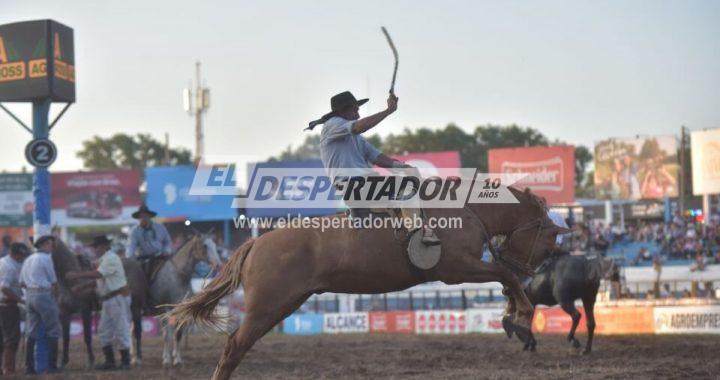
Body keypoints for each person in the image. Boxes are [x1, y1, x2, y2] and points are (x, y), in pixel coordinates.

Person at [307, 91, 439, 246]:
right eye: (355, 110)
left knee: (402, 186)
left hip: (360, 184)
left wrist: (403, 167)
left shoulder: (354, 137)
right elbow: (358, 127)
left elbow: (376, 157)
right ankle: (418, 233)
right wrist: (388, 111)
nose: (358, 114)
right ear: (342, 112)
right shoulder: (333, 124)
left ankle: (402, 225)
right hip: (356, 184)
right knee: (409, 185)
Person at [66, 236, 131, 370]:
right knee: (104, 330)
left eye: (95, 247)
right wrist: (82, 287)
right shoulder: (105, 259)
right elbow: (99, 279)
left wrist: (77, 276)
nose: (94, 249)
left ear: (103, 246)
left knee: (121, 329)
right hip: (110, 298)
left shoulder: (111, 258)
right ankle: (111, 361)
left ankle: (125, 362)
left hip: (116, 297)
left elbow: (98, 275)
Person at [19, 235, 62, 374]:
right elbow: (54, 281)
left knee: (31, 332)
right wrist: (56, 297)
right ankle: (52, 366)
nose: (52, 247)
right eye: (50, 244)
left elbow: (21, 282)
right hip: (44, 294)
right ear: (44, 244)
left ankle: (29, 368)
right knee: (53, 330)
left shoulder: (28, 259)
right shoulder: (46, 258)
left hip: (30, 295)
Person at [0, 242, 29, 374]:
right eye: (21, 256)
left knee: (2, 338)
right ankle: (9, 369)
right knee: (12, 338)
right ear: (15, 254)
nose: (23, 258)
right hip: (7, 305)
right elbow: (5, 287)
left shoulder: (3, 261)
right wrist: (20, 300)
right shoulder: (10, 267)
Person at [127, 204, 172, 279]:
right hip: (143, 260)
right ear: (138, 218)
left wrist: (167, 250)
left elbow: (167, 242)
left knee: (174, 272)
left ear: (149, 217)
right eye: (140, 217)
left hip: (161, 258)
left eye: (145, 216)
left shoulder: (160, 227)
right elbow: (131, 247)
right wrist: (130, 258)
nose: (143, 219)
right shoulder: (134, 231)